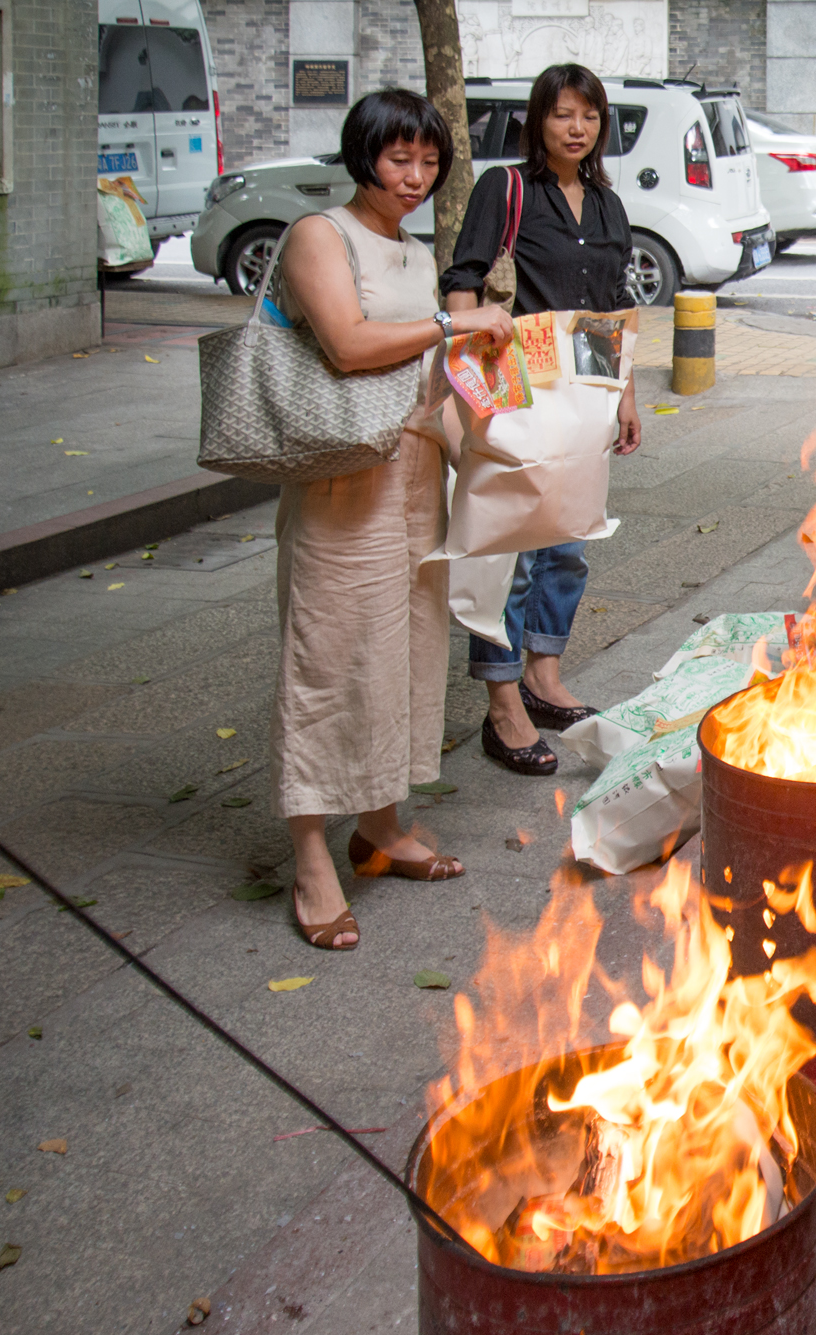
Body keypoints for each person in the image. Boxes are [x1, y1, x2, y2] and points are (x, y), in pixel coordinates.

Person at [271, 89, 517, 950]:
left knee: (407, 658)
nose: (414, 178)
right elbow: (346, 342)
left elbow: (434, 384)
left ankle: (380, 826)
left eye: (428, 162)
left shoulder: (415, 255)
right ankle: (310, 858)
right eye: (397, 159)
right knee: (329, 661)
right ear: (361, 157)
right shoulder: (319, 237)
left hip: (414, 481)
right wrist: (456, 318)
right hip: (342, 485)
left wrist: (499, 459)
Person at [443, 64, 643, 776]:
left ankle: (544, 674)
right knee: (511, 550)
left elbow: (616, 307)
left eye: (589, 116)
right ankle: (502, 702)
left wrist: (625, 392)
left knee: (568, 540)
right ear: (539, 120)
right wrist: (471, 384)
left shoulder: (608, 204)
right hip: (521, 387)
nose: (577, 128)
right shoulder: (508, 187)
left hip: (586, 389)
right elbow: (464, 278)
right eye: (562, 114)